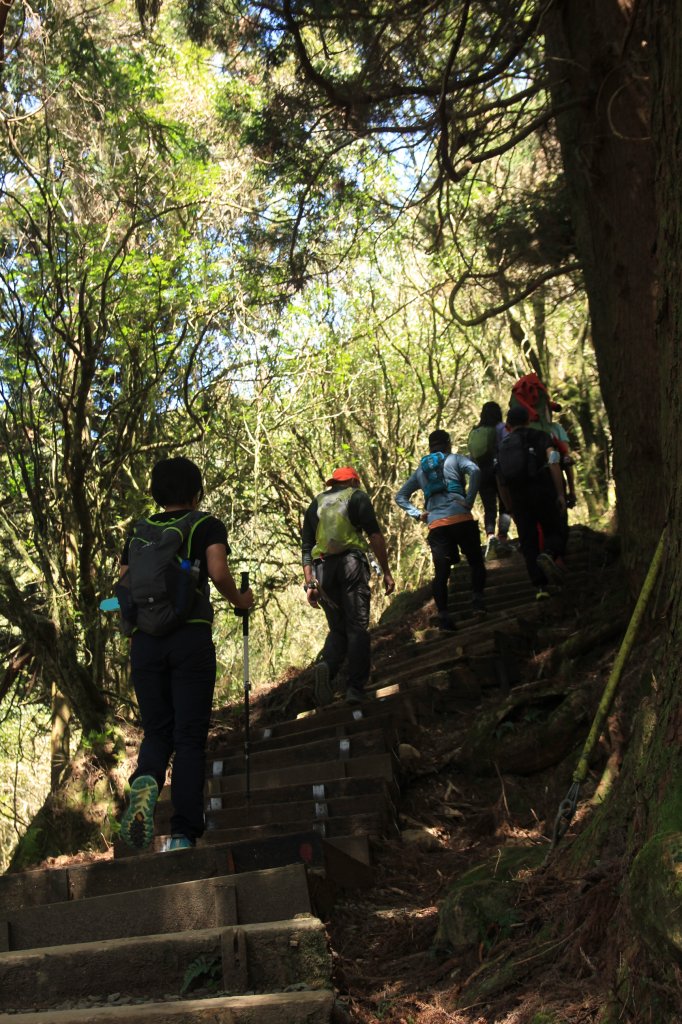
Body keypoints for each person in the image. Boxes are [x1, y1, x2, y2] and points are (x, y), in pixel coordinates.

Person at [118, 456, 253, 851]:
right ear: (196, 493)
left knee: (158, 732)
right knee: (189, 737)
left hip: (145, 644)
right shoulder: (205, 523)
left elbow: (125, 587)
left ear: (156, 493)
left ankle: (146, 780)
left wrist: (136, 637)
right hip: (190, 639)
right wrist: (240, 601)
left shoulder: (139, 532)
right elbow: (218, 572)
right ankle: (182, 834)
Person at [301, 466, 395, 706]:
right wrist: (386, 571)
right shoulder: (357, 497)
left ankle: (328, 666)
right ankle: (355, 688)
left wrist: (309, 581)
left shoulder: (317, 503)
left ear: (333, 483)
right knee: (357, 627)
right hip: (351, 564)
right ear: (354, 481)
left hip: (323, 572)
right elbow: (374, 535)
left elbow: (306, 547)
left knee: (338, 628)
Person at [395, 429, 486, 631]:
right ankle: (478, 601)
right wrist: (469, 500)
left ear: (430, 448)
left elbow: (400, 496)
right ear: (448, 444)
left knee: (441, 573)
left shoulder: (421, 471)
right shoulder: (455, 459)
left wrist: (418, 514)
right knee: (476, 561)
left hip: (437, 525)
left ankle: (444, 616)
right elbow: (476, 471)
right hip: (461, 517)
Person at [495, 406, 567, 599]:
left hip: (518, 498)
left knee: (528, 541)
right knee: (554, 527)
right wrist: (560, 493)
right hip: (542, 490)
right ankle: (550, 554)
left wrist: (509, 507)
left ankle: (540, 588)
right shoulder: (542, 436)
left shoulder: (503, 446)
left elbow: (501, 481)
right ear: (528, 420)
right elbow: (553, 463)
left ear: (508, 426)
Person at [467, 401, 513, 559]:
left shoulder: (476, 431)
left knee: (489, 508)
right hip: (499, 471)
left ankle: (490, 537)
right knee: (505, 504)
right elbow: (508, 447)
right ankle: (502, 537)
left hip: (481, 473)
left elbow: (472, 457)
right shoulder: (501, 428)